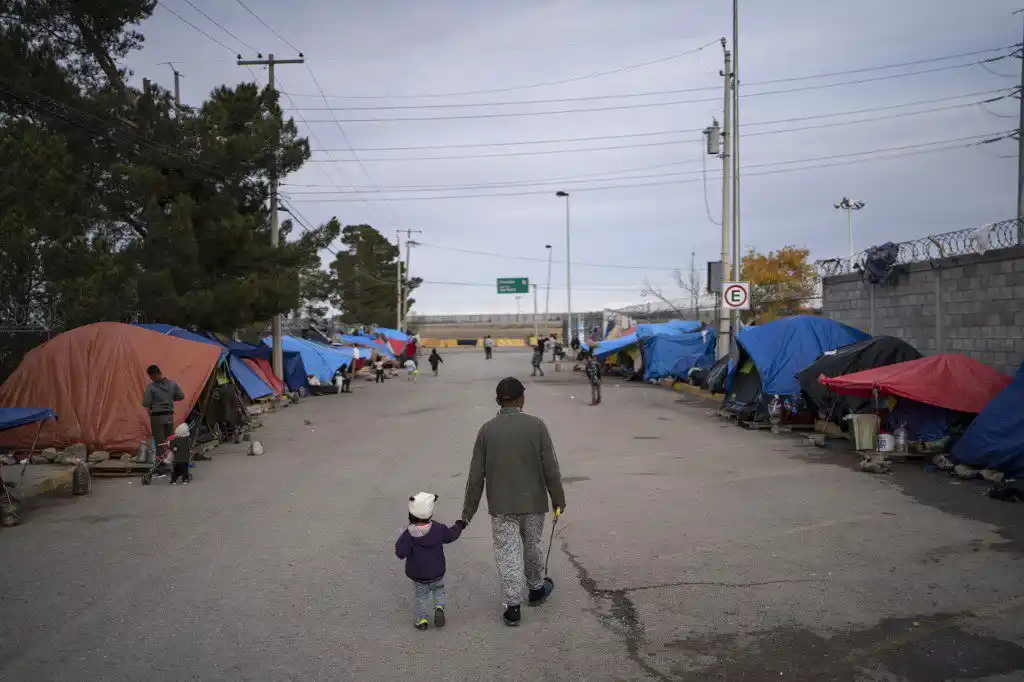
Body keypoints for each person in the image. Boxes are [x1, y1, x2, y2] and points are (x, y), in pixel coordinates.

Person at [461, 377, 566, 627]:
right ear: (521, 399)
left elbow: (476, 476)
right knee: (532, 545)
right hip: (534, 503)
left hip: (502, 506)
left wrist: (468, 512)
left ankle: (513, 607)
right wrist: (558, 499)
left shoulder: (487, 430)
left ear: (498, 401)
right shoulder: (537, 426)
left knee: (507, 553)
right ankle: (537, 589)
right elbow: (550, 467)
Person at [395, 492, 467, 630]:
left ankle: (422, 620)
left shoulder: (409, 534)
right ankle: (439, 607)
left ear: (411, 514)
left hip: (419, 574)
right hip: (437, 570)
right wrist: (460, 525)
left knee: (421, 595)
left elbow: (400, 553)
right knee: (438, 589)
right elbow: (452, 535)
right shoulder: (438, 528)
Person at [141, 364, 184, 457]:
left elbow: (145, 403)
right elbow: (181, 396)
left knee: (160, 442)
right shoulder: (173, 384)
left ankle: (162, 463)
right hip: (169, 416)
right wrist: (170, 399)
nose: (151, 379)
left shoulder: (151, 387)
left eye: (151, 377)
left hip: (157, 417)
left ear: (153, 375)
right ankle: (172, 460)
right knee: (170, 439)